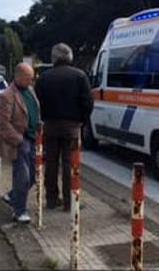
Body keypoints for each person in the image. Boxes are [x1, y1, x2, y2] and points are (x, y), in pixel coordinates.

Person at [34, 43, 93, 211]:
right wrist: (82, 120)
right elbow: (88, 102)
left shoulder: (44, 78)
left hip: (50, 126)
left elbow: (37, 103)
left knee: (51, 162)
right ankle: (70, 201)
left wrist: (43, 119)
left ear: (54, 58)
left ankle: (51, 199)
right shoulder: (80, 76)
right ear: (70, 57)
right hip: (72, 126)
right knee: (70, 163)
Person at [0, 62, 40, 223]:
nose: (31, 82)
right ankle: (19, 211)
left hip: (33, 138)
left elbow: (33, 111)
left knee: (33, 176)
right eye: (28, 78)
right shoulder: (7, 95)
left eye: (32, 79)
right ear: (18, 77)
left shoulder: (29, 90)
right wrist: (18, 140)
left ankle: (12, 195)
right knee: (23, 177)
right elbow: (3, 123)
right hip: (20, 141)